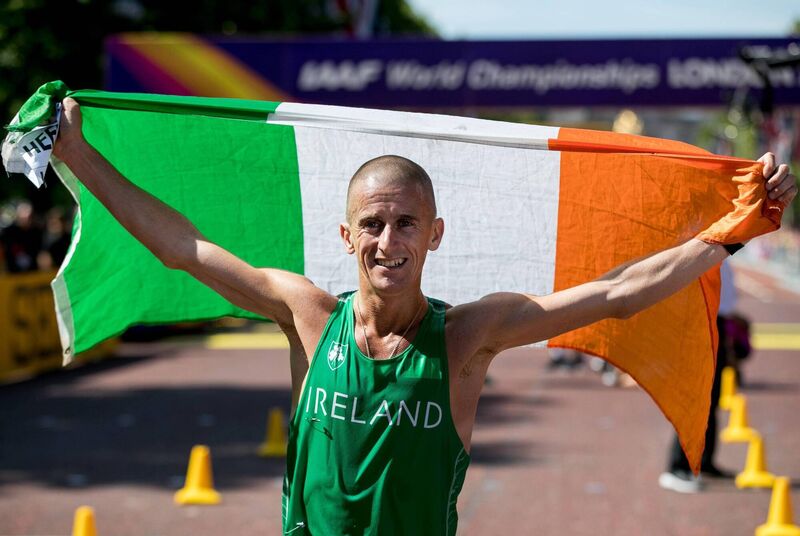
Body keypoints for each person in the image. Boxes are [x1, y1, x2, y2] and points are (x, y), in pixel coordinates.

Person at [52, 98, 796, 535]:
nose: (388, 241)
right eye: (372, 224)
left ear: (435, 234)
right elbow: (185, 247)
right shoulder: (307, 316)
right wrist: (80, 159)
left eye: (407, 223)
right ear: (346, 236)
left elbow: (617, 294)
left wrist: (729, 233)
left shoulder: (469, 336)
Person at [658, 260, 739, 493]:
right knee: (694, 400)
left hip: (716, 323)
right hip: (700, 323)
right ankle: (676, 466)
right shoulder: (703, 244)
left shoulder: (721, 246)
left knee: (711, 400)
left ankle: (703, 462)